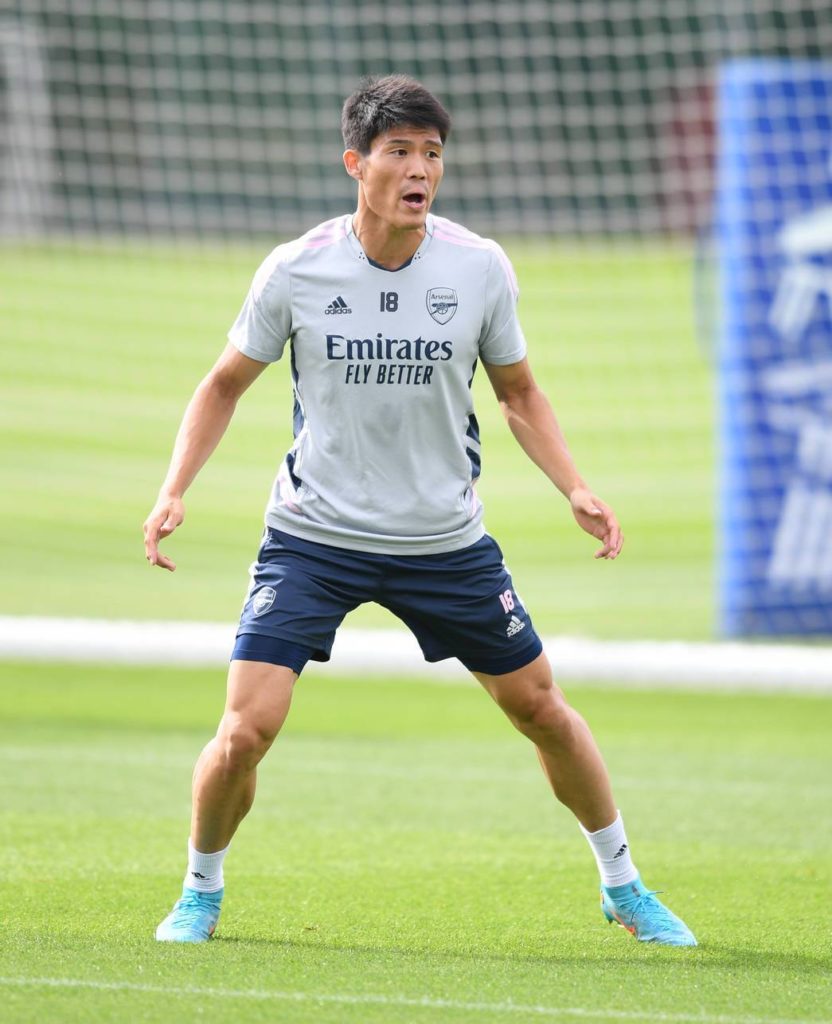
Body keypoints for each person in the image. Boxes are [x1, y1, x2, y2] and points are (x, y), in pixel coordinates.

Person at [144, 74, 696, 947]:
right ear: (355, 163)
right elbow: (222, 385)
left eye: (432, 153)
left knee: (544, 710)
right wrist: (174, 490)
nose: (420, 169)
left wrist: (575, 486)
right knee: (246, 730)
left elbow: (519, 392)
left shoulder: (478, 266)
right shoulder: (296, 269)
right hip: (313, 538)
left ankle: (623, 886)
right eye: (399, 151)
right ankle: (199, 892)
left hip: (444, 542)